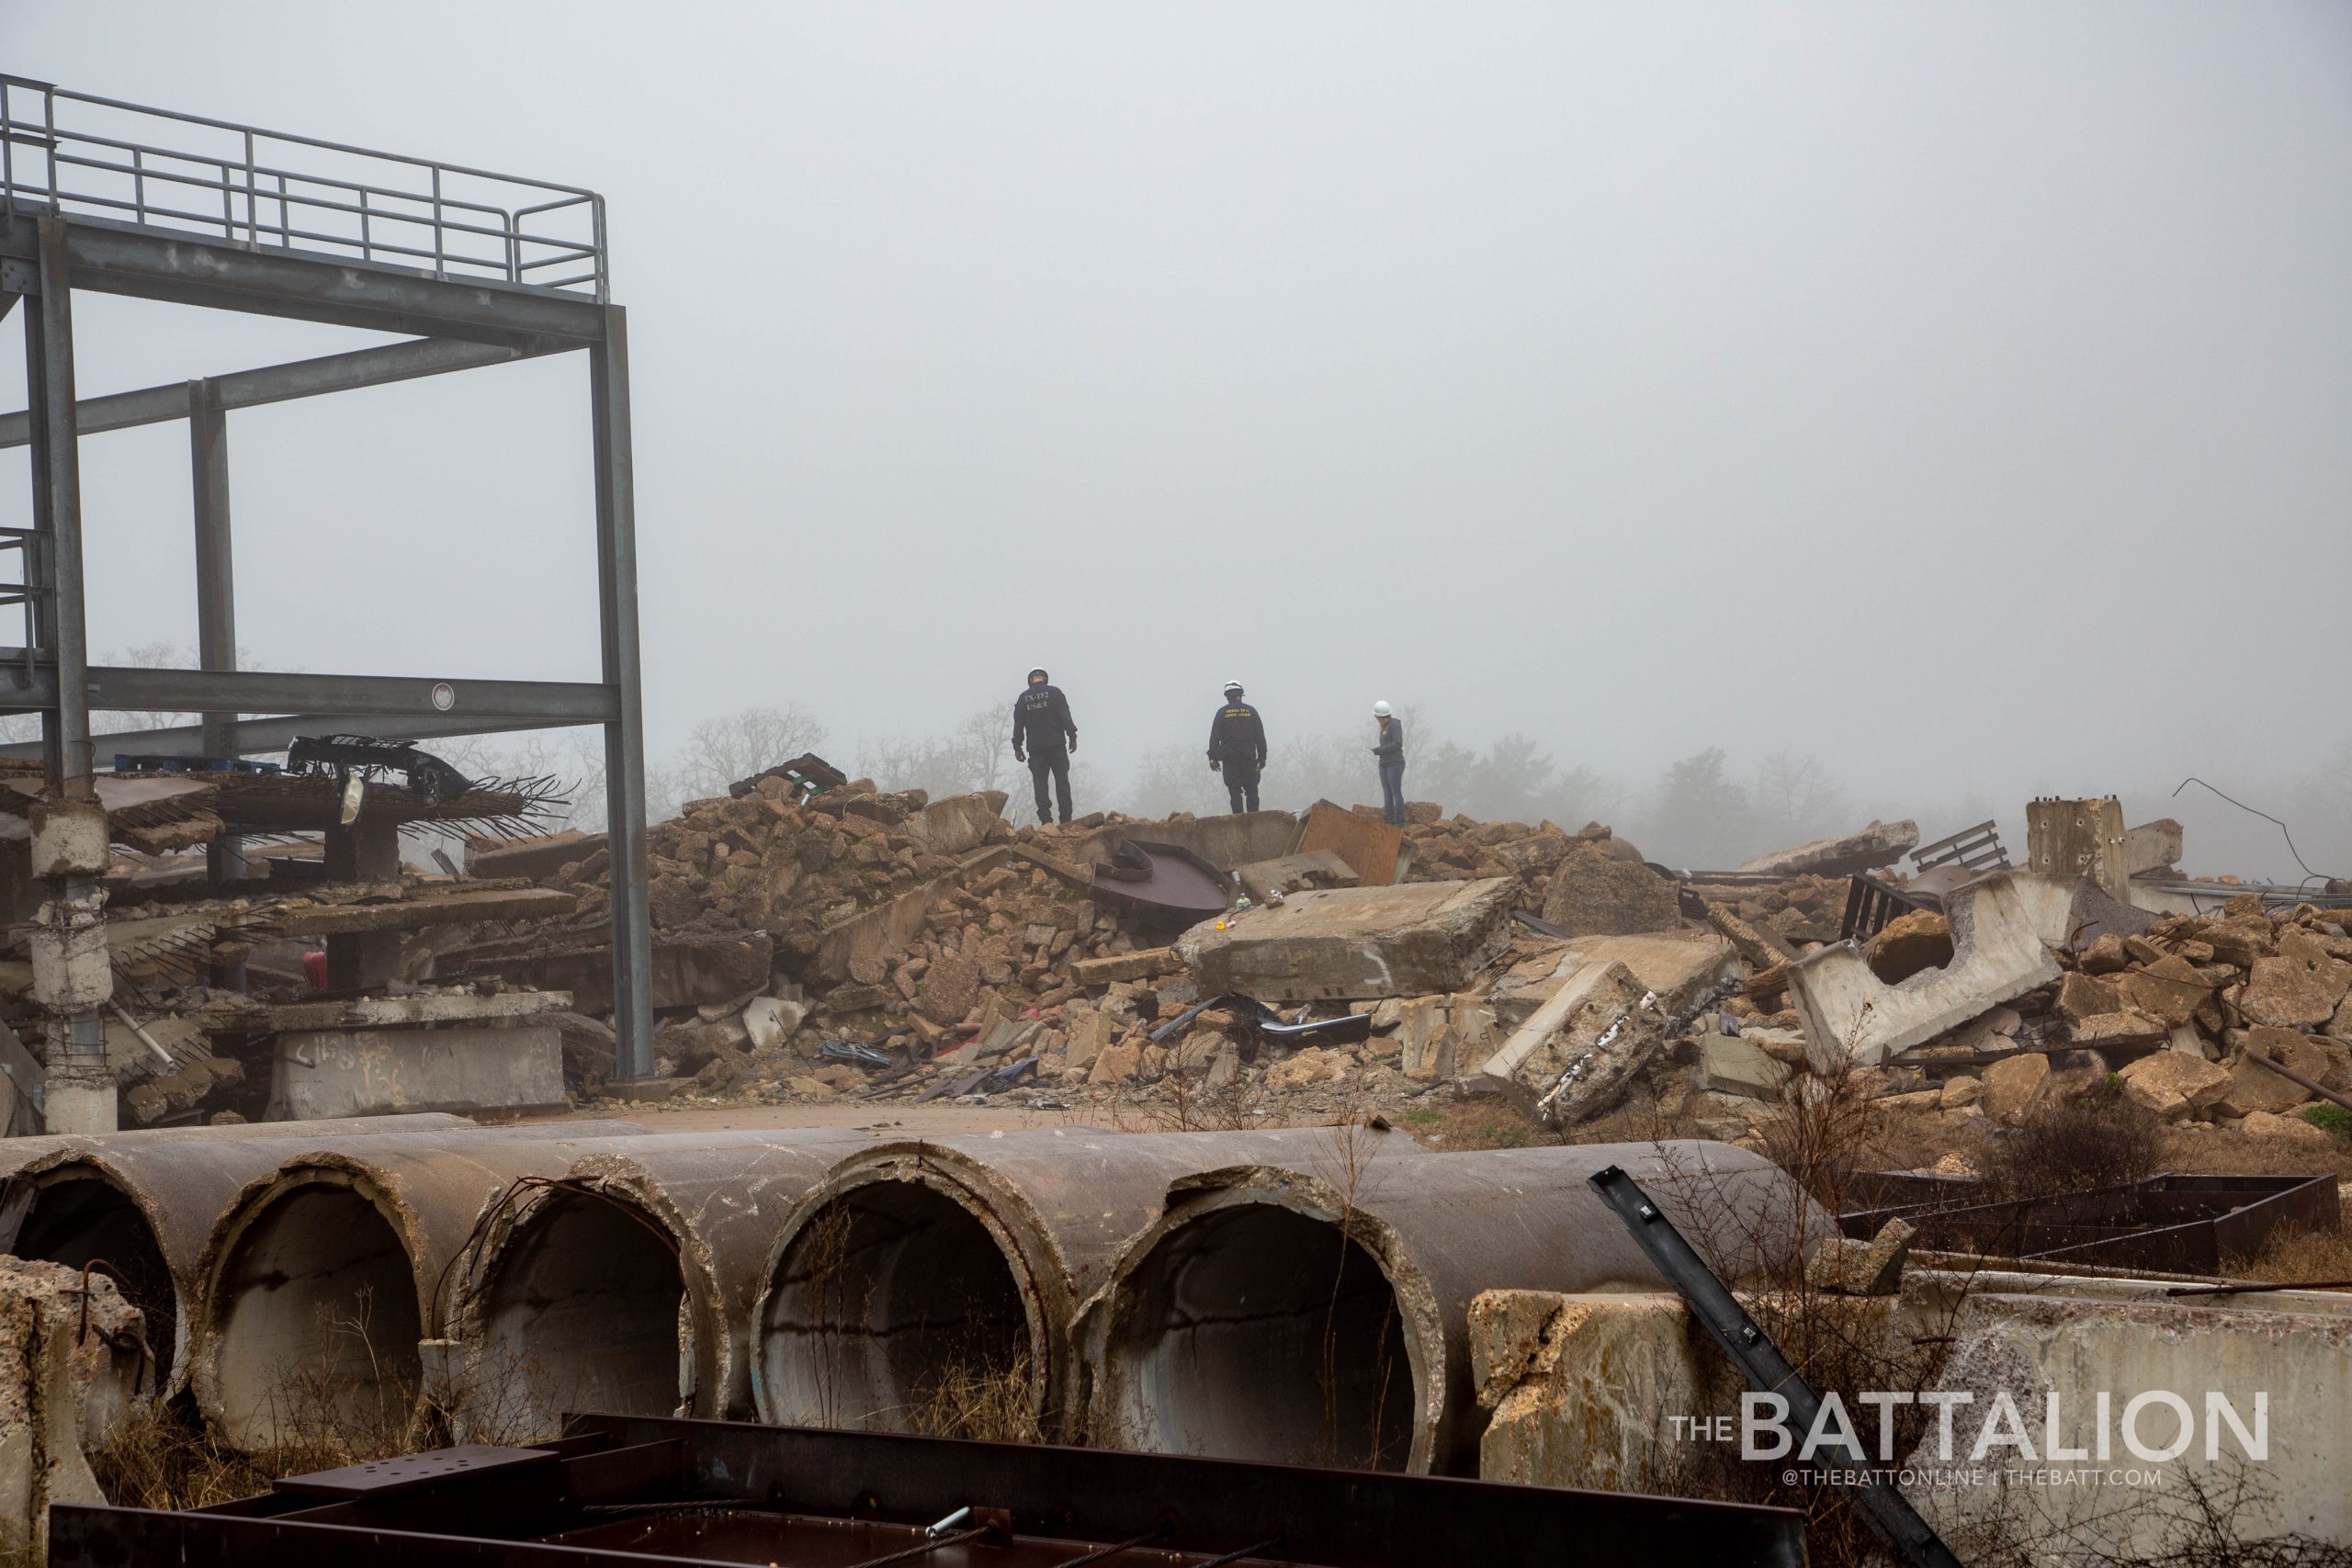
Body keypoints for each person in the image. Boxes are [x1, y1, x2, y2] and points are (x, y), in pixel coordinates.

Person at [1011, 666, 1078, 825]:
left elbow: (1018, 725)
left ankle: (1046, 821)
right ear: (1045, 679)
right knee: (1062, 783)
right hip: (1057, 745)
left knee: (1040, 785)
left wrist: (1017, 747)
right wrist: (1072, 736)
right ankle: (1066, 821)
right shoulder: (1055, 693)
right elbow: (1065, 715)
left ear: (1030, 680)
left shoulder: (1023, 698)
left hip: (1036, 749)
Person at [1206, 680, 1268, 814]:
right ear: (1241, 694)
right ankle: (1254, 818)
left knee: (1234, 791)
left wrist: (1212, 757)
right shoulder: (1251, 711)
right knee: (1252, 789)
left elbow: (1214, 737)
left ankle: (1238, 820)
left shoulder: (1221, 713)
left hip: (1230, 757)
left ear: (1227, 696)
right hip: (1249, 756)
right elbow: (1260, 738)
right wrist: (1262, 759)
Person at [1371, 699, 1407, 826]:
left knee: (1395, 793)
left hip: (1395, 763)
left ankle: (1400, 822)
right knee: (1387, 794)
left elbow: (1397, 744)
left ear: (1378, 716)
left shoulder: (1394, 725)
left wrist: (1380, 750)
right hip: (1384, 764)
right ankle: (1389, 821)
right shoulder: (1384, 726)